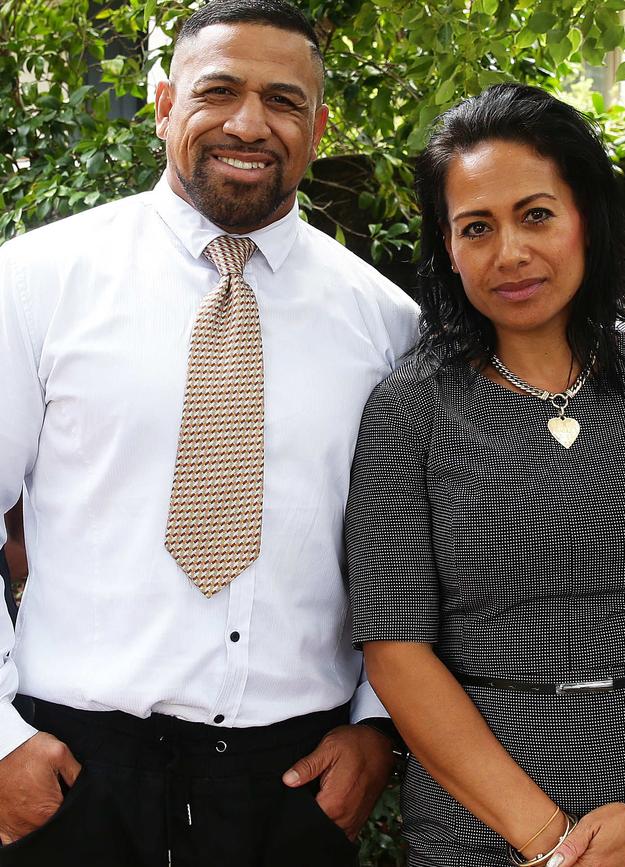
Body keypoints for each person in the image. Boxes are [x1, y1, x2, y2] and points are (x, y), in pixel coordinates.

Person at [0, 1, 418, 864]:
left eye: (284, 100)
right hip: (73, 771)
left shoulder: (386, 322)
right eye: (218, 90)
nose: (248, 123)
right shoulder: (35, 284)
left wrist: (379, 725)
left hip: (294, 780)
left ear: (318, 124)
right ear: (163, 106)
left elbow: (411, 553)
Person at [346, 83, 625, 867]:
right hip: (479, 827)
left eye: (536, 214)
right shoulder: (409, 411)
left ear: (586, 215)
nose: (509, 252)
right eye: (476, 227)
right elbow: (395, 649)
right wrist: (553, 846)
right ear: (449, 249)